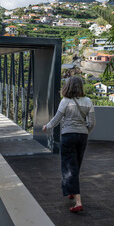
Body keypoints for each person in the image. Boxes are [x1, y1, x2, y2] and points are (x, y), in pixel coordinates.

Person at [42, 76, 95, 212]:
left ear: (68, 87)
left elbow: (56, 119)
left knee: (70, 168)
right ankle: (71, 191)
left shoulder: (65, 101)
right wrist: (84, 131)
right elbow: (92, 122)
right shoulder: (88, 101)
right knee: (76, 165)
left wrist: (47, 126)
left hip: (68, 136)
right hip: (82, 137)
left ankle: (78, 203)